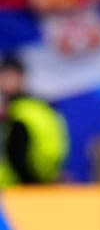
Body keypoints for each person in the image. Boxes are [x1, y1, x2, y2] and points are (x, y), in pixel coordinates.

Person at [0, 54, 69, 186]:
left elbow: (17, 153)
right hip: (36, 182)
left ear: (21, 77)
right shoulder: (39, 106)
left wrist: (32, 183)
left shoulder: (22, 109)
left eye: (10, 75)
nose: (5, 80)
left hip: (21, 186)